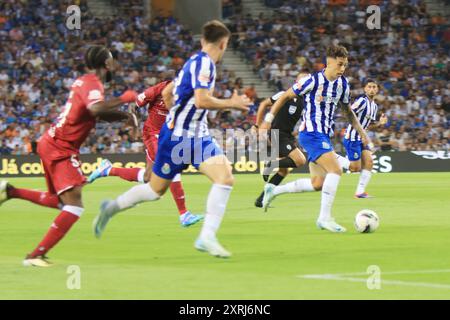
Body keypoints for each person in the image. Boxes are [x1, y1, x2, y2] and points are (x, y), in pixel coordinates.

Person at [92, 20, 251, 258]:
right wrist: (233, 103)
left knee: (225, 177)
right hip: (179, 139)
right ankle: (112, 208)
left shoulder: (193, 61)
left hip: (196, 136)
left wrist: (175, 116)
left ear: (202, 41)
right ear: (223, 43)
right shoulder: (206, 65)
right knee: (155, 190)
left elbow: (168, 92)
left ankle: (206, 237)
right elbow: (201, 100)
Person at [0, 45, 138, 267]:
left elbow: (96, 113)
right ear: (107, 64)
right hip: (60, 147)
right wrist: (124, 98)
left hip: (53, 142)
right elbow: (96, 109)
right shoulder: (93, 83)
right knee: (74, 206)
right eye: (112, 60)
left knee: (61, 202)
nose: (114, 64)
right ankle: (35, 256)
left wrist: (124, 116)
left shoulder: (85, 81)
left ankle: (10, 191)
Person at [260, 45, 373, 233]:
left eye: (345, 65)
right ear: (329, 62)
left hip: (324, 136)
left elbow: (347, 111)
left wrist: (361, 131)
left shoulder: (342, 84)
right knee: (336, 171)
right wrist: (267, 120)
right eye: (340, 64)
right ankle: (324, 218)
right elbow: (285, 96)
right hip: (311, 134)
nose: (343, 69)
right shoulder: (312, 81)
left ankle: (274, 190)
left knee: (317, 184)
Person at [87, 80, 203, 227]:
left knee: (149, 178)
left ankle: (108, 169)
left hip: (168, 136)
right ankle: (184, 214)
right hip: (153, 134)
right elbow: (133, 106)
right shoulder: (159, 89)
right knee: (171, 165)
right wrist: (135, 126)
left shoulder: (190, 95)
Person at [252, 72, 308, 208]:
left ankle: (261, 200)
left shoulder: (306, 101)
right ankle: (271, 164)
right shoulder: (286, 94)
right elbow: (263, 104)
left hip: (286, 135)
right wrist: (257, 125)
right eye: (302, 80)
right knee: (300, 160)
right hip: (277, 134)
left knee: (283, 171)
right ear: (296, 82)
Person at [341, 79, 388, 198]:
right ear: (365, 89)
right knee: (354, 168)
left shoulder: (374, 106)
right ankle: (332, 157)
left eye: (374, 87)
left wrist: (379, 123)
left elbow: (368, 125)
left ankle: (360, 192)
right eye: (369, 87)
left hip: (362, 139)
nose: (372, 89)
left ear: (377, 90)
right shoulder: (362, 101)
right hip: (352, 138)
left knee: (369, 162)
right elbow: (348, 113)